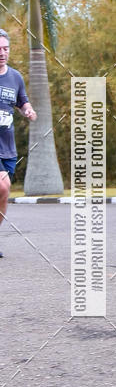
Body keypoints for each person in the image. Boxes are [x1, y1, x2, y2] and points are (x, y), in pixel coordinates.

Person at [0, 28, 37, 257]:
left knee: (3, 194)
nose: (2, 53)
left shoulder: (15, 77)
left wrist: (28, 110)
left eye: (5, 49)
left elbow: (22, 101)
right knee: (2, 185)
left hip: (8, 148)